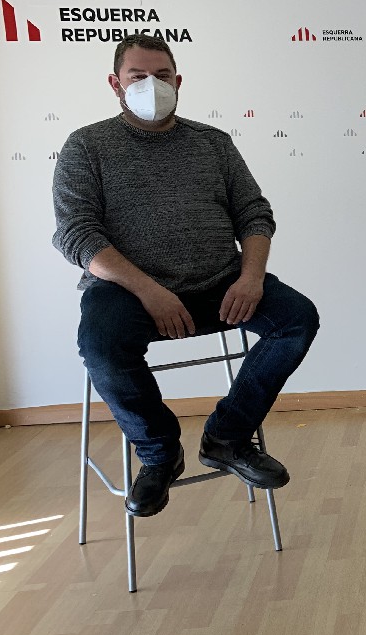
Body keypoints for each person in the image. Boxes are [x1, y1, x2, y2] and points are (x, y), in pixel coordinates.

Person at [52, 35, 320, 517]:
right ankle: (158, 453)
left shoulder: (212, 143)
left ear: (178, 81)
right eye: (137, 76)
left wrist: (251, 278)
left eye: (161, 76)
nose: (151, 85)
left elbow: (254, 214)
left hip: (220, 283)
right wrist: (150, 292)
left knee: (297, 319)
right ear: (115, 84)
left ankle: (227, 438)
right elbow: (77, 235)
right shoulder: (86, 146)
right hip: (128, 292)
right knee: (101, 346)